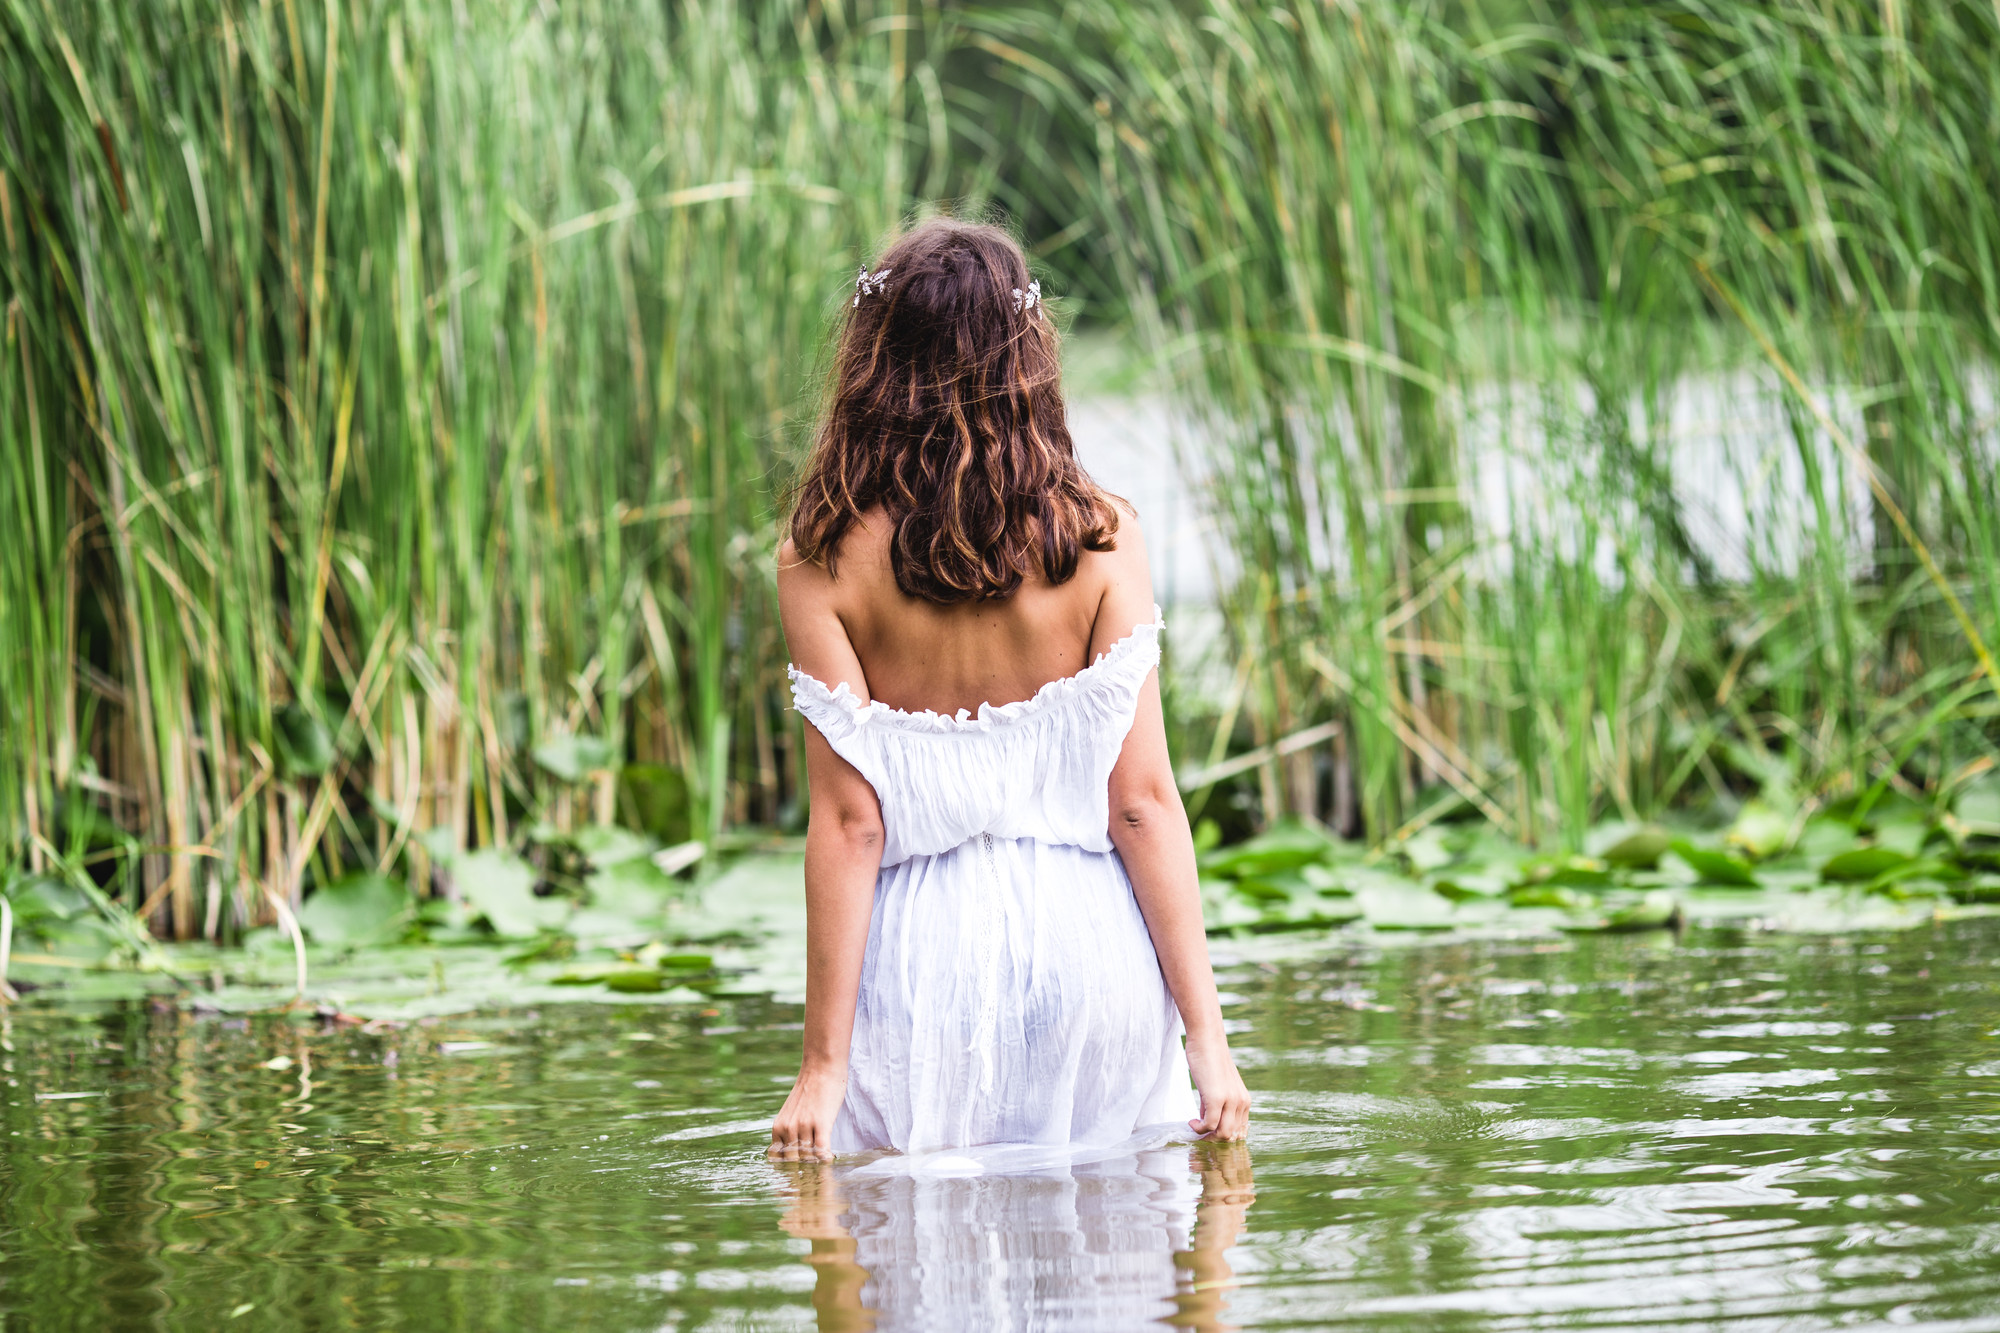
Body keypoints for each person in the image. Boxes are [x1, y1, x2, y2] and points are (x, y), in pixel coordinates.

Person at [768, 217, 1250, 1163]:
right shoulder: (1104, 537)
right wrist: (1211, 1044)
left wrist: (822, 1066)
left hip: (916, 977)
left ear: (874, 361)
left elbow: (851, 823)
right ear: (1027, 355)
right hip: (1091, 962)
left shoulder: (819, 557)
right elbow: (1143, 805)